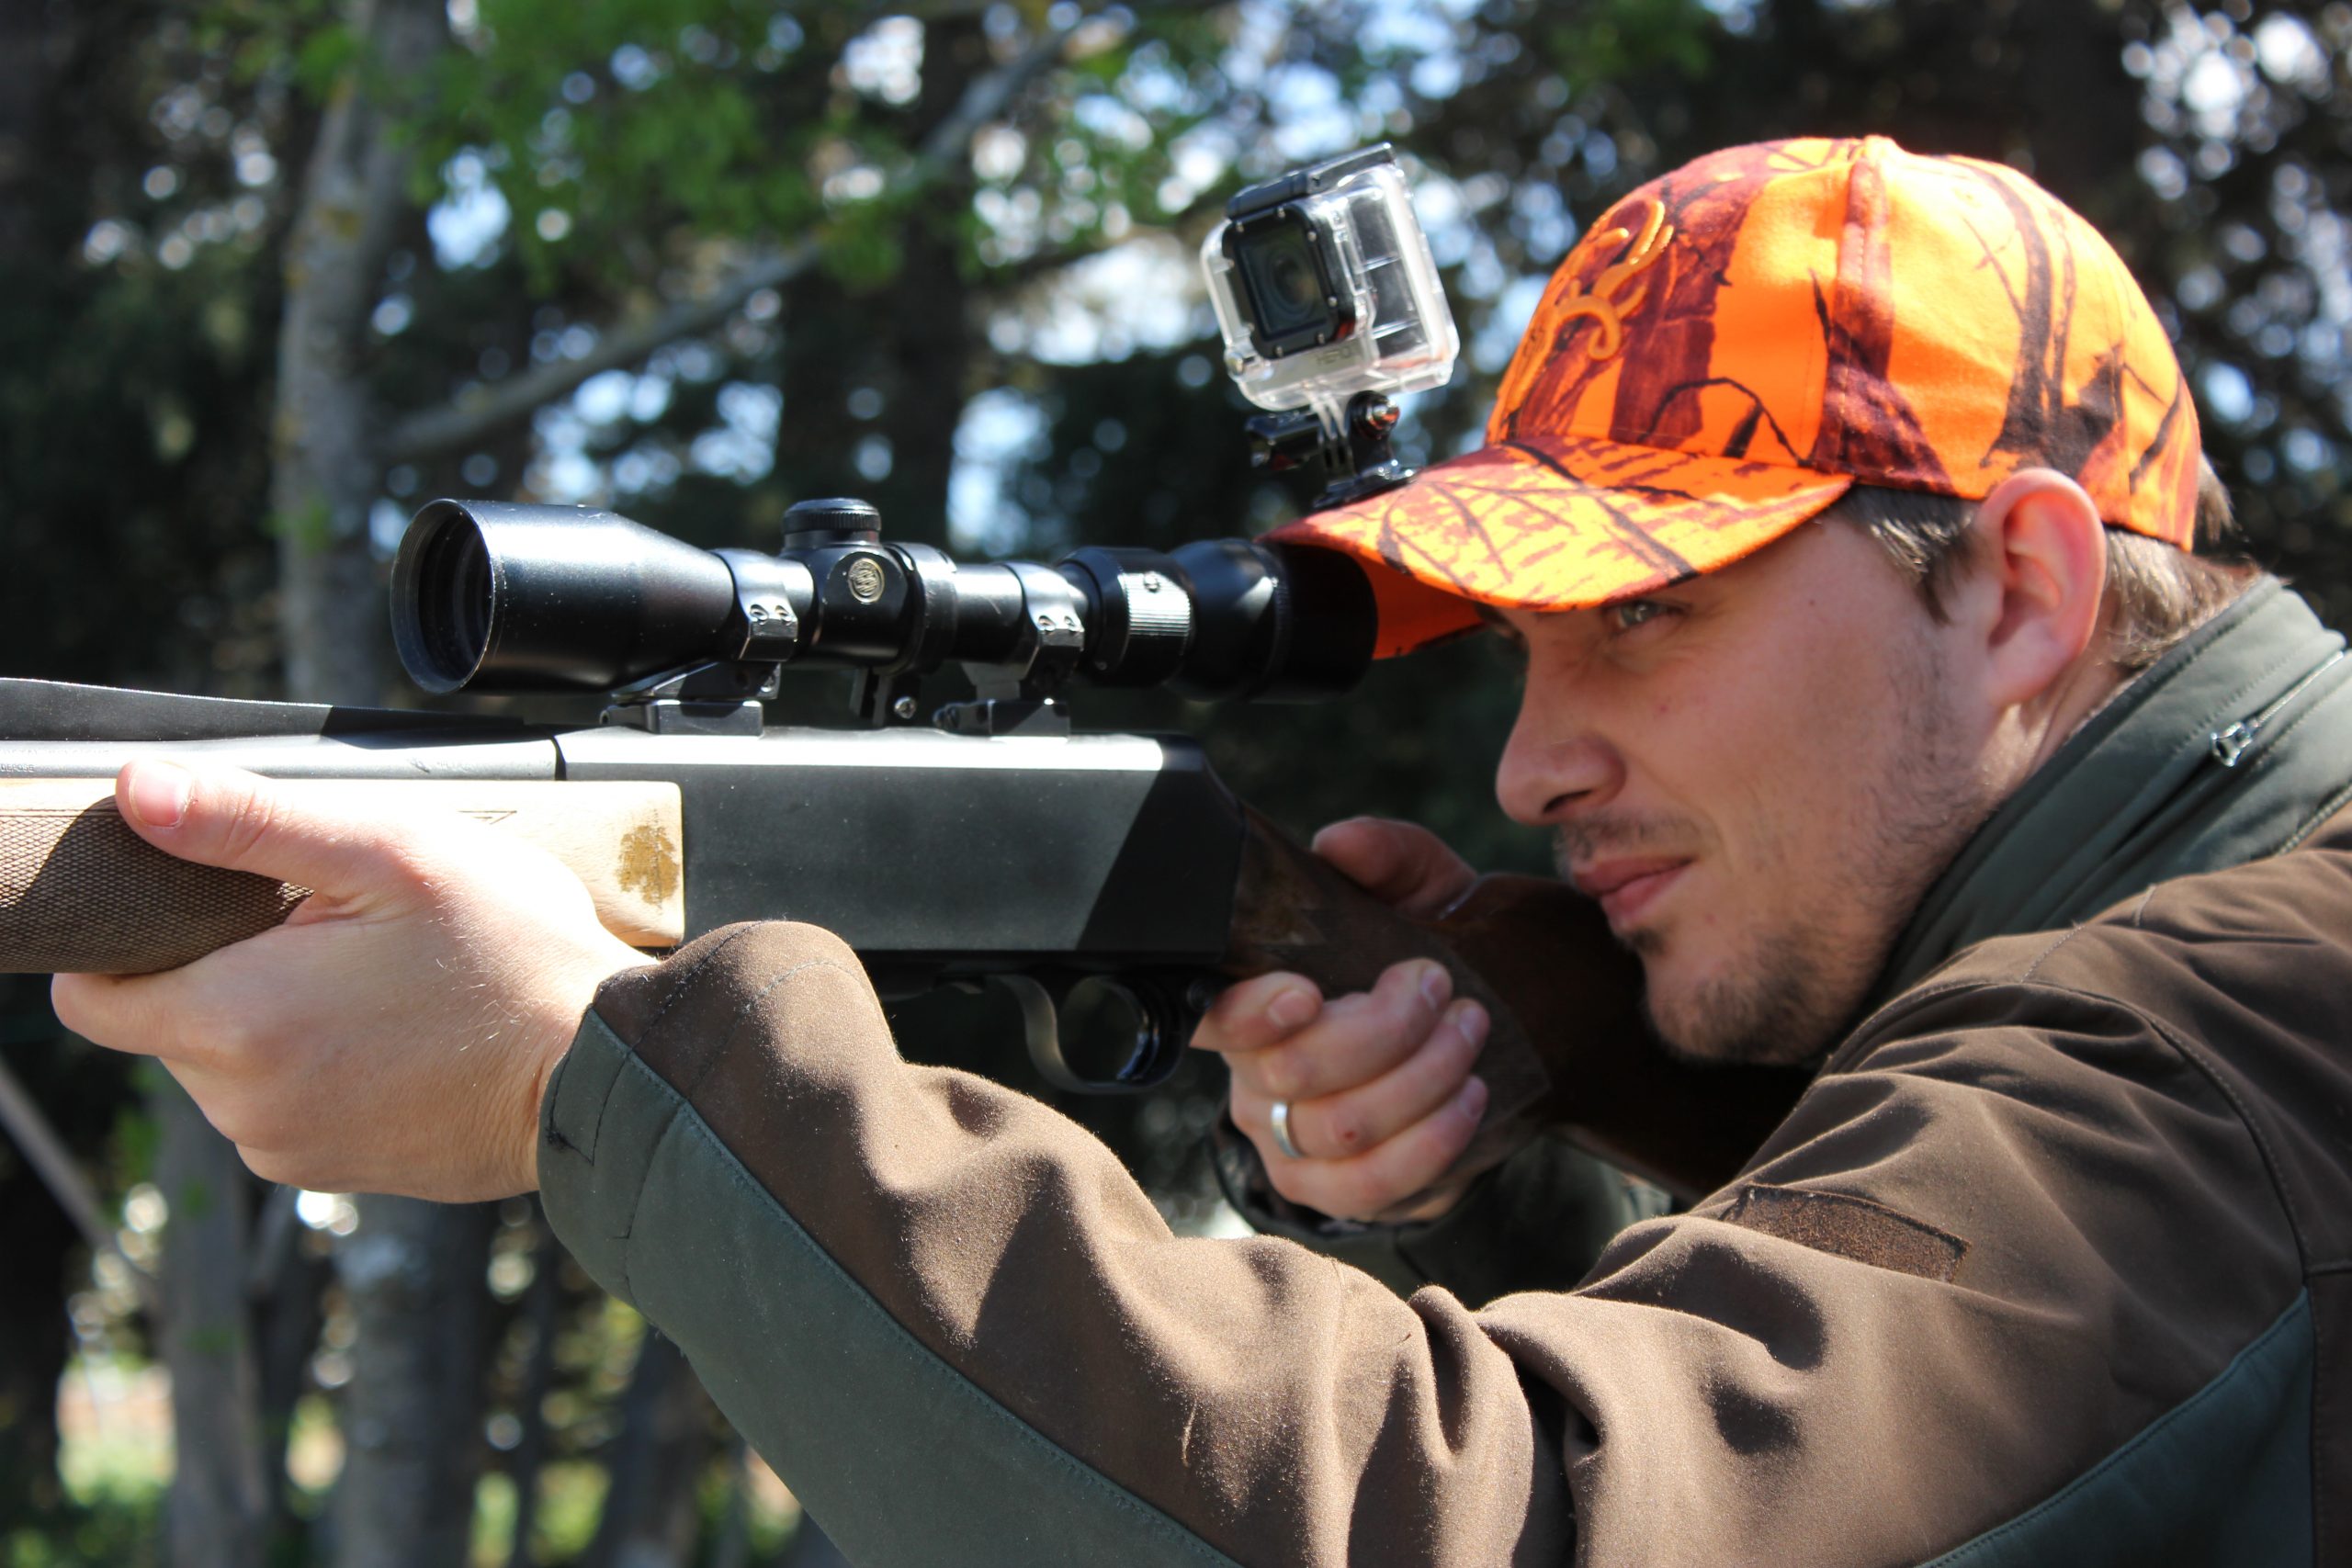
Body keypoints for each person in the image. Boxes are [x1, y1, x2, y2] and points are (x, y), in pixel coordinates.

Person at [53, 137, 2352, 1563]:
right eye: (1520, 645)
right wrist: (1524, 1119)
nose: (1535, 765)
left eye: (1642, 619)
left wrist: (608, 1073)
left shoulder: (2246, 1029)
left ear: (2024, 592)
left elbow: (1524, 1524)